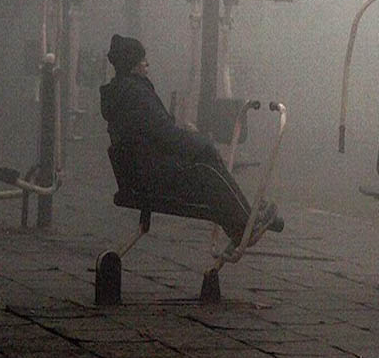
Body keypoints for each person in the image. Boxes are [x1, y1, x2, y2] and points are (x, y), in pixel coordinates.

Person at [99, 34, 279, 248]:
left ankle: (244, 222)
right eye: (142, 59)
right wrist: (201, 143)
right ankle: (245, 225)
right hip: (153, 175)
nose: (146, 63)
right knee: (208, 169)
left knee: (206, 162)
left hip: (140, 172)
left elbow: (154, 133)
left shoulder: (122, 93)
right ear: (132, 65)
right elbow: (166, 135)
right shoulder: (136, 95)